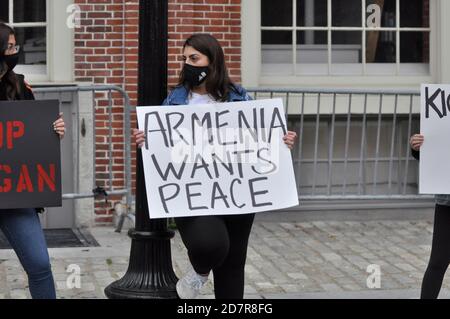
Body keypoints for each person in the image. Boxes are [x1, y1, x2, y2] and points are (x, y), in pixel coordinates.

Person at [133, 33, 298, 299]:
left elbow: (260, 138)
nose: (187, 64)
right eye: (184, 58)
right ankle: (198, 274)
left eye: (194, 58)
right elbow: (163, 144)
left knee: (233, 265)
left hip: (238, 192)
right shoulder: (175, 101)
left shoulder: (238, 99)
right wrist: (147, 138)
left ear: (213, 62)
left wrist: (281, 141)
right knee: (210, 244)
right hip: (194, 192)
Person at [0, 22, 66, 299]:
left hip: (16, 193)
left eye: (15, 46)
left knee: (39, 264)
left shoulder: (19, 85)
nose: (15, 51)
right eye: (11, 46)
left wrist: (53, 131)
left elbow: (33, 133)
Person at [410, 133, 450, 299]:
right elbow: (435, 152)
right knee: (437, 263)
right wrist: (418, 148)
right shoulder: (442, 112)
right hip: (447, 203)